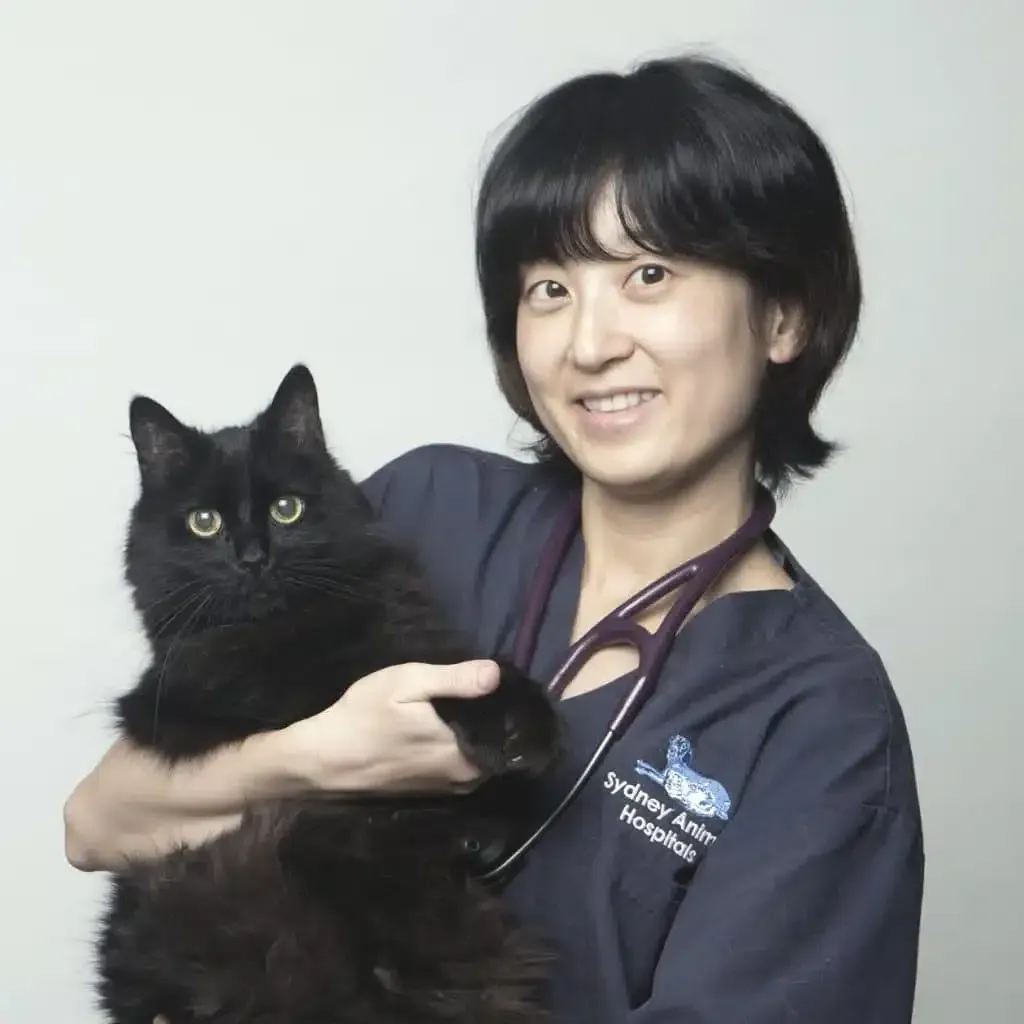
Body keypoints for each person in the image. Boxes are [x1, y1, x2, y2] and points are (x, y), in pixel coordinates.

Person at [63, 53, 925, 1023]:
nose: (588, 342)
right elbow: (99, 821)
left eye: (647, 273)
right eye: (548, 289)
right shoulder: (426, 508)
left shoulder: (817, 718)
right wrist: (316, 758)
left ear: (784, 314)